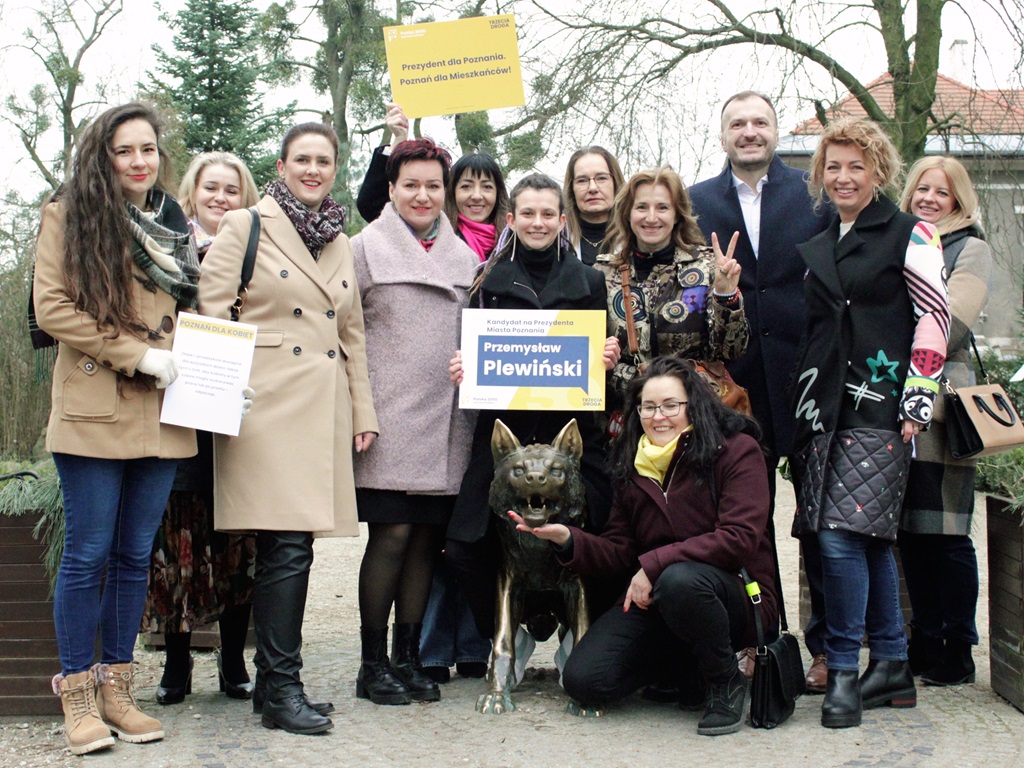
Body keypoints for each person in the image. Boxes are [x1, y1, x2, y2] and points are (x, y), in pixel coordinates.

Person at [199, 122, 378, 735]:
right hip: (263, 405)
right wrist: (222, 394)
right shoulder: (246, 225)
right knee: (286, 548)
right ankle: (280, 686)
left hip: (321, 405)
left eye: (323, 160)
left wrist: (363, 412)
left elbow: (350, 332)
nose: (312, 169)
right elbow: (212, 310)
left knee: (289, 548)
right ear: (280, 165)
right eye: (301, 159)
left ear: (334, 169)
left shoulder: (341, 240)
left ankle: (275, 685)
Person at [33, 103, 199, 754]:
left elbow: (190, 309)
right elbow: (51, 308)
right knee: (88, 556)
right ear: (102, 155)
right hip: (97, 404)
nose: (139, 161)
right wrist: (138, 354)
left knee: (135, 558)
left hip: (162, 409)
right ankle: (76, 697)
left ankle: (117, 691)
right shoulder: (70, 212)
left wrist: (212, 371)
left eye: (149, 150)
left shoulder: (171, 220)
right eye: (125, 150)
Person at [512, 356, 777, 736]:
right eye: (649, 407)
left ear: (693, 406)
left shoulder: (736, 451)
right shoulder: (631, 462)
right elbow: (620, 550)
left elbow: (738, 539)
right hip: (662, 602)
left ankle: (724, 681)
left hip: (736, 595)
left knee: (680, 581)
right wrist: (567, 539)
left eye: (671, 405)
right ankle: (682, 665)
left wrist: (654, 565)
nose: (659, 416)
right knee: (584, 681)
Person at [789, 117, 949, 729]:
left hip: (881, 404)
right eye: (833, 166)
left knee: (838, 536)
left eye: (857, 165)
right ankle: (893, 665)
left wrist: (918, 398)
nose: (844, 176)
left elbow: (933, 316)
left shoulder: (913, 233)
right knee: (870, 536)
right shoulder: (827, 235)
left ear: (879, 170)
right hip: (823, 407)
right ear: (820, 175)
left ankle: (846, 673)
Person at [688, 90, 832, 693]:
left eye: (760, 122)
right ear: (722, 137)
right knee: (746, 520)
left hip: (808, 380)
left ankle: (828, 648)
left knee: (822, 519)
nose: (750, 132)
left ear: (776, 132)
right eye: (737, 123)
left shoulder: (816, 195)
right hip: (733, 386)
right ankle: (757, 640)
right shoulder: (696, 203)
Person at [446, 173, 620, 640]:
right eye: (528, 213)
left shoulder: (588, 281)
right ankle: (509, 630)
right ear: (511, 219)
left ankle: (577, 634)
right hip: (505, 436)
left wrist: (605, 356)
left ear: (563, 221)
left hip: (574, 433)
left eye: (547, 214)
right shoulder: (486, 280)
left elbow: (599, 354)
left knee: (603, 534)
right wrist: (468, 366)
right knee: (464, 543)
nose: (538, 223)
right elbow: (474, 349)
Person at [350, 137, 478, 705]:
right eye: (411, 185)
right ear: (392, 189)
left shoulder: (467, 259)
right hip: (387, 420)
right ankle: (371, 663)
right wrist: (357, 409)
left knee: (427, 540)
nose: (423, 195)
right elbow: (345, 339)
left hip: (447, 423)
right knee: (391, 536)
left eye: (433, 185)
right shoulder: (362, 250)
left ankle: (409, 657)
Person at [143, 152, 260, 707]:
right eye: (210, 187)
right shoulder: (162, 251)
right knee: (179, 544)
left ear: (245, 198)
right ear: (191, 193)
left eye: (231, 190)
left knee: (238, 542)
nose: (220, 197)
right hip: (178, 407)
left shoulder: (257, 253)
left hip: (241, 413)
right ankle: (176, 664)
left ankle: (235, 661)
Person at [897, 156, 992, 686]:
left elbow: (951, 323)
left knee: (948, 535)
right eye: (922, 189)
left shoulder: (968, 249)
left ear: (958, 200)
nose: (930, 199)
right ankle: (924, 637)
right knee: (911, 534)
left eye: (942, 192)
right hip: (897, 405)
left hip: (941, 405)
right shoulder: (904, 243)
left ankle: (958, 645)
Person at [596, 165, 748, 414]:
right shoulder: (603, 272)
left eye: (662, 207)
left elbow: (730, 350)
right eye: (642, 207)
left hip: (695, 414)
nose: (651, 217)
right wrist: (615, 367)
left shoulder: (707, 266)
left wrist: (725, 296)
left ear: (677, 214)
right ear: (627, 214)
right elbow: (594, 357)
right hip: (629, 415)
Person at [563, 146, 626, 265]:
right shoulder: (559, 240)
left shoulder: (634, 238)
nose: (592, 188)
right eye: (582, 180)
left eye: (601, 178)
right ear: (572, 188)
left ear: (615, 183)